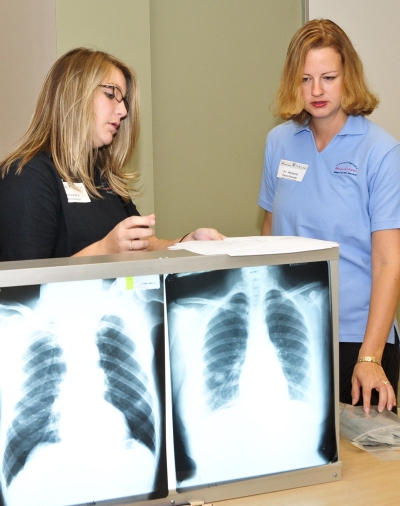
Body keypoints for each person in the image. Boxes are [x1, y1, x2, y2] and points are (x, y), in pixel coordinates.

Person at [258, 19, 400, 414]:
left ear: (347, 77)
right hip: (287, 332)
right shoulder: (278, 143)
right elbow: (270, 234)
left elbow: (390, 261)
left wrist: (370, 358)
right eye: (305, 79)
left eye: (328, 77)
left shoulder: (381, 153)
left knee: (366, 469)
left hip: (358, 340)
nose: (316, 90)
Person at [0, 47, 223, 261]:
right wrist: (105, 249)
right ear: (74, 93)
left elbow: (143, 246)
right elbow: (24, 289)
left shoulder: (103, 177)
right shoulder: (28, 176)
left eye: (123, 100)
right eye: (110, 94)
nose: (123, 111)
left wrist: (188, 243)